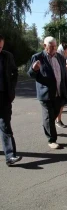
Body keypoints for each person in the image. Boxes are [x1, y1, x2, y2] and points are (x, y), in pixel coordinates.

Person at [28, 36, 67, 149]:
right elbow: (31, 74)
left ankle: (48, 125)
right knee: (48, 116)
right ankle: (52, 139)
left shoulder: (60, 58)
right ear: (44, 46)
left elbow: (63, 74)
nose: (53, 49)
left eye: (55, 46)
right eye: (51, 46)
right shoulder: (38, 57)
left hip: (58, 93)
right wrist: (34, 69)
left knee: (53, 115)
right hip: (45, 94)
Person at [0, 34, 21, 166]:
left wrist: (12, 88)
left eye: (0, 46)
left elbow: (15, 72)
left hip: (4, 96)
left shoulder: (7, 56)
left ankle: (10, 156)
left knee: (5, 126)